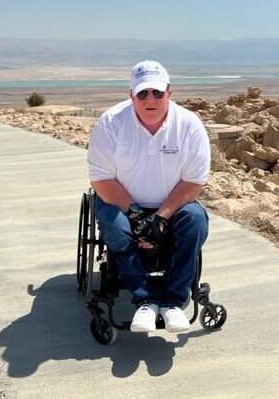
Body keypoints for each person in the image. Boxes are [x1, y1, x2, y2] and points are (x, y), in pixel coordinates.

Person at [87, 60, 210, 333]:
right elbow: (101, 178)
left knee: (195, 221)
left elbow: (193, 183)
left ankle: (173, 302)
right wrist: (134, 214)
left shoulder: (189, 126)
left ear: (169, 93)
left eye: (156, 93)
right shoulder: (110, 124)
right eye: (142, 93)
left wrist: (159, 217)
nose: (149, 100)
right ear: (131, 95)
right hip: (120, 203)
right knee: (116, 228)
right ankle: (145, 299)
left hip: (172, 206)